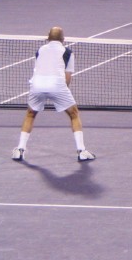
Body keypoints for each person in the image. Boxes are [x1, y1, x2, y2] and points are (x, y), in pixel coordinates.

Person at [11, 27, 96, 162]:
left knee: (30, 114)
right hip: (56, 84)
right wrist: (62, 94)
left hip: (37, 84)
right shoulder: (67, 52)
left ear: (47, 38)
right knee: (74, 114)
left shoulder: (39, 51)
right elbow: (67, 77)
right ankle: (81, 151)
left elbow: (38, 69)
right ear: (63, 40)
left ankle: (19, 150)